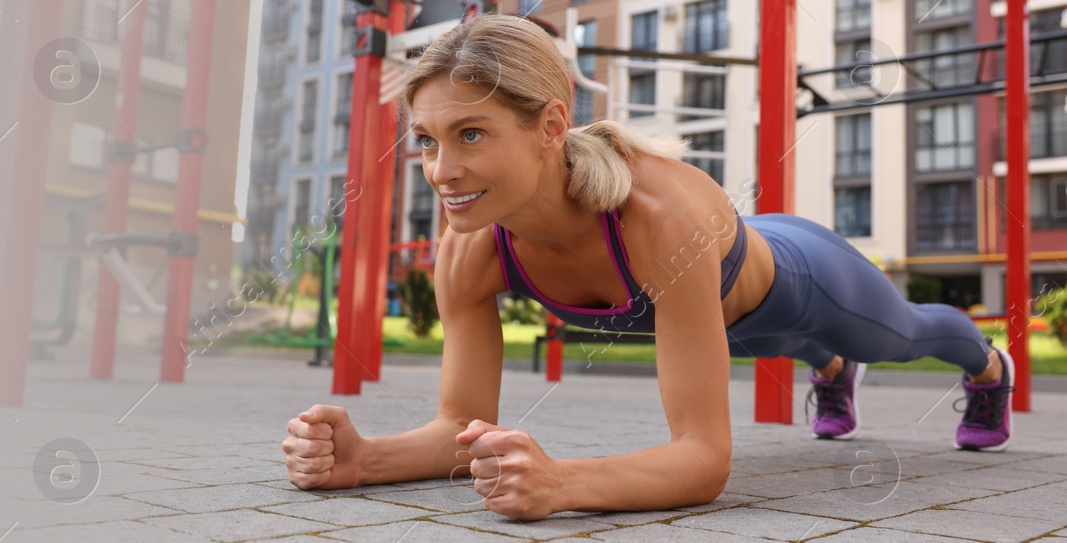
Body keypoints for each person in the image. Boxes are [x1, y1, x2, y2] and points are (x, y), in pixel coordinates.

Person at [280, 14, 1016, 520]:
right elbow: (458, 425)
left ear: (551, 126)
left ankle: (987, 368)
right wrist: (364, 460)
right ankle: (825, 370)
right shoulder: (470, 244)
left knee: (905, 334)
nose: (442, 170)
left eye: (470, 133)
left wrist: (562, 481)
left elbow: (704, 459)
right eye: (428, 141)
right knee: (780, 350)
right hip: (710, 319)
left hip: (798, 281)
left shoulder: (660, 220)